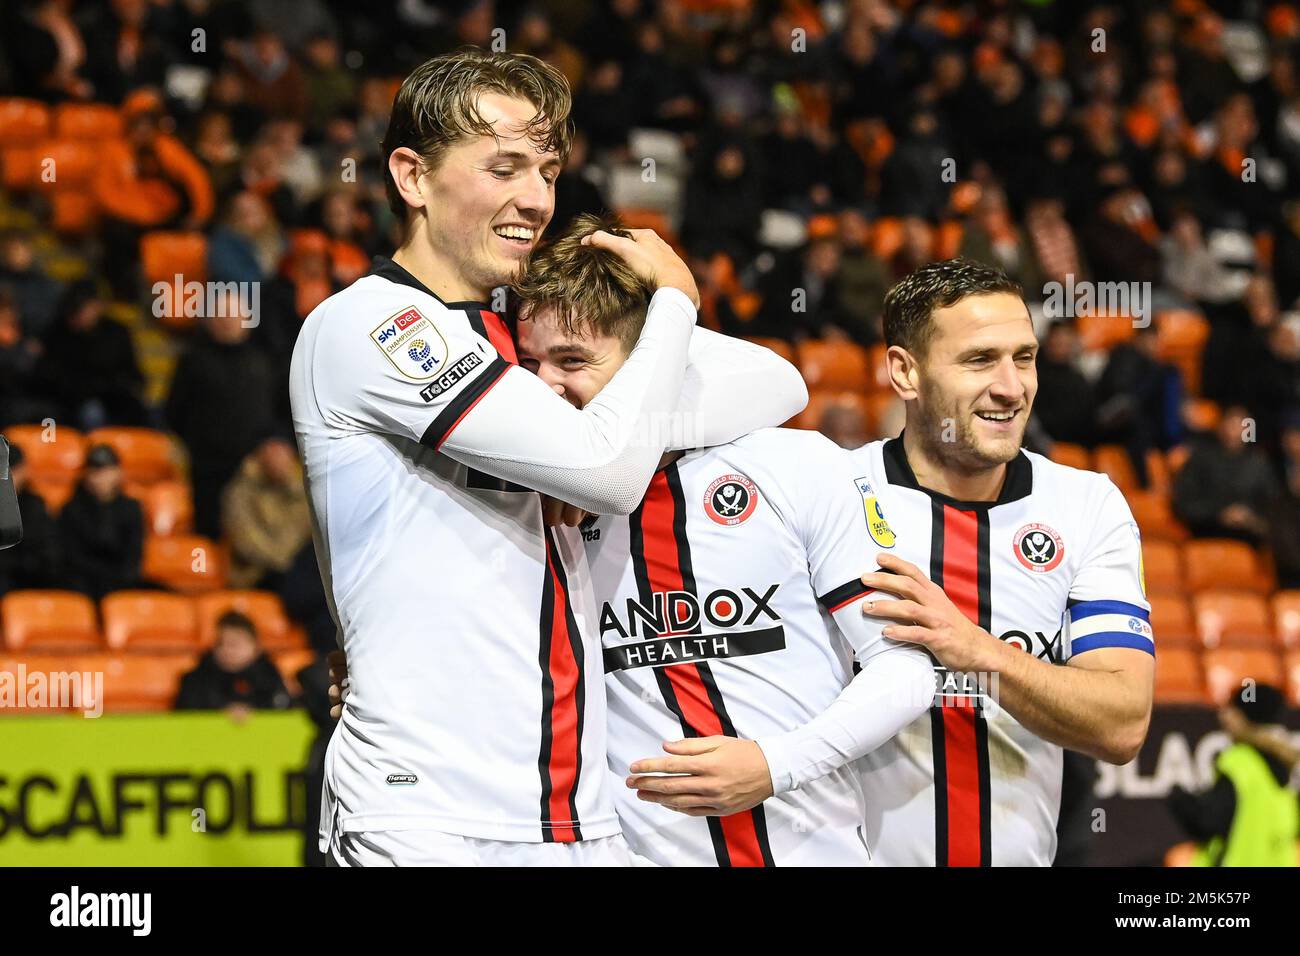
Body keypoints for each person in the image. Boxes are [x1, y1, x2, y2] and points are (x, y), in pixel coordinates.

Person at [292, 49, 805, 867]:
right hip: (429, 814)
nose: (535, 199)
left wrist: (600, 431)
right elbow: (607, 472)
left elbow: (776, 383)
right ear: (412, 176)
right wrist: (672, 300)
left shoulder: (523, 344)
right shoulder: (371, 325)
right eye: (503, 167)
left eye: (548, 170)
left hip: (575, 812)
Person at [846, 257, 1154, 866]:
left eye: (1025, 357)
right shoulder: (828, 494)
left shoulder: (1086, 505)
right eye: (980, 360)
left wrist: (980, 652)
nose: (1012, 387)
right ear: (905, 372)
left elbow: (1121, 724)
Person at [1168, 684, 1298, 867]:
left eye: (1232, 708)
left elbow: (1208, 821)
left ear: (1243, 717)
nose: (1224, 716)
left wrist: (1180, 799)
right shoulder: (1287, 766)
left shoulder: (1240, 763)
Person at [1172, 404, 1279, 545]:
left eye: (1242, 425)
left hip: (1250, 540)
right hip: (1206, 535)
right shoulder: (1200, 458)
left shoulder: (1259, 463)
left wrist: (1251, 518)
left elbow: (1274, 506)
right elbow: (1183, 501)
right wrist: (1219, 513)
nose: (1235, 431)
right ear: (1221, 426)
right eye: (1231, 423)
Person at [221, 435, 311, 590]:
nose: (277, 458)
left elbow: (304, 535)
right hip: (253, 576)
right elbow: (245, 539)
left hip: (293, 573)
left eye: (282, 451)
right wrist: (279, 561)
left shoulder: (303, 494)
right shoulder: (240, 492)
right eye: (272, 450)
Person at [58, 444, 143, 600]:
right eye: (95, 472)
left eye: (106, 471)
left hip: (121, 582)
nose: (100, 478)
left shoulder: (131, 508)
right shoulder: (71, 509)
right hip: (83, 583)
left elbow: (133, 555)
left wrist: (121, 582)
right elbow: (71, 557)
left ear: (118, 472)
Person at [175, 611, 293, 714]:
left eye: (234, 644)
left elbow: (285, 710)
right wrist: (221, 712)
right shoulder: (196, 678)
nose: (226, 650)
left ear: (256, 647)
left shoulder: (271, 676)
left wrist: (254, 712)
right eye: (220, 643)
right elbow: (185, 715)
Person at [0, 442, 58, 594]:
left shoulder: (35, 506)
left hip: (27, 583)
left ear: (24, 470)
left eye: (12, 470)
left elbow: (44, 557)